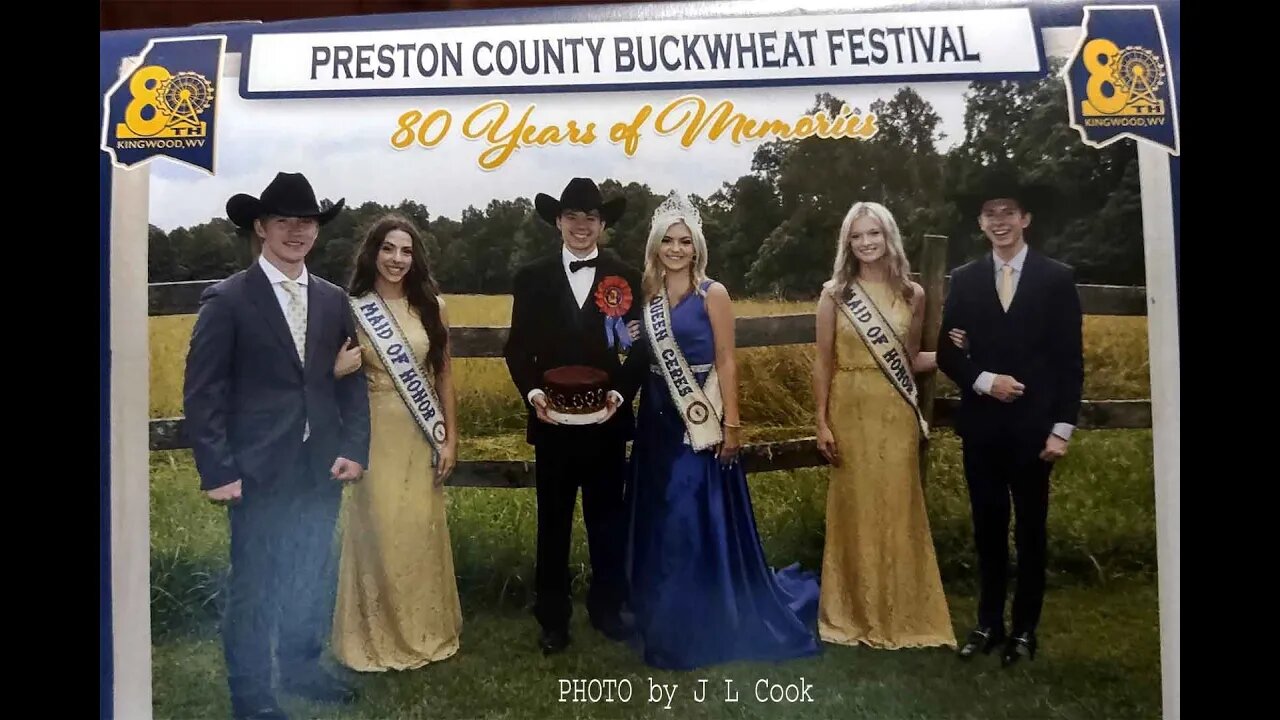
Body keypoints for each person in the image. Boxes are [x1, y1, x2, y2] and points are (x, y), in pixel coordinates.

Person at [183, 172, 370, 720]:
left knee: (310, 573)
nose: (296, 230)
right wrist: (217, 469)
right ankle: (254, 699)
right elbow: (203, 394)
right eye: (284, 220)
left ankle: (301, 668)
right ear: (261, 228)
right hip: (257, 471)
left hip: (320, 466)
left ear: (317, 230)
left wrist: (354, 448)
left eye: (307, 221)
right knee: (255, 589)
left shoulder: (334, 300)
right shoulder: (229, 300)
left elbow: (350, 382)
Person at [623, 190, 821, 670]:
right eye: (667, 241)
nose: (675, 249)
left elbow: (728, 360)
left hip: (701, 419)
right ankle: (658, 610)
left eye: (684, 242)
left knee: (687, 516)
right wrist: (629, 339)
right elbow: (644, 356)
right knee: (655, 512)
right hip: (656, 418)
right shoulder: (647, 297)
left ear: (697, 247)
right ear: (655, 246)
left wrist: (732, 424)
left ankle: (691, 621)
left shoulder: (714, 293)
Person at [937, 168, 1084, 666]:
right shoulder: (964, 279)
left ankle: (1024, 630)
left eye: (1008, 212)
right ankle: (987, 624)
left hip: (1034, 431)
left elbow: (1070, 361)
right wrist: (984, 381)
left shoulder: (1056, 278)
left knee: (1031, 532)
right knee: (988, 529)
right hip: (982, 429)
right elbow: (948, 352)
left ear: (1025, 219)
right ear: (980, 223)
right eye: (989, 214)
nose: (999, 222)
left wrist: (1062, 428)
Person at [502, 177, 647, 654]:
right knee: (554, 522)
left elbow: (641, 350)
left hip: (608, 423)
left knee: (608, 520)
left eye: (591, 217)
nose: (581, 225)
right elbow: (517, 348)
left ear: (602, 224)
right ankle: (553, 618)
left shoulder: (626, 276)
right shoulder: (531, 276)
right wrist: (534, 394)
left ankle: (607, 609)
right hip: (552, 424)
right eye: (572, 217)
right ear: (558, 222)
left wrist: (620, 398)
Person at [811, 201, 957, 652]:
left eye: (874, 233)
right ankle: (852, 613)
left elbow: (910, 362)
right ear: (847, 243)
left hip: (894, 411)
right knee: (854, 509)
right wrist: (820, 422)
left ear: (888, 236)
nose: (867, 242)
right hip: (849, 406)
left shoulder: (913, 294)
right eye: (857, 236)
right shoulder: (835, 293)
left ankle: (900, 613)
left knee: (897, 508)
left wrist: (961, 354)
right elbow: (822, 362)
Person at [330, 213, 463, 672]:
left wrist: (451, 439)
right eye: (389, 249)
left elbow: (443, 375)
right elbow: (325, 372)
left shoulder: (433, 306)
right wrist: (335, 371)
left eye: (406, 251)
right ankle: (375, 636)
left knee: (418, 531)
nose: (397, 259)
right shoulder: (351, 307)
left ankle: (426, 630)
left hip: (421, 434)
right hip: (372, 432)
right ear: (373, 252)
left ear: (416, 257)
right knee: (379, 531)